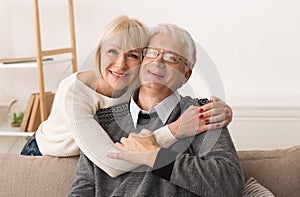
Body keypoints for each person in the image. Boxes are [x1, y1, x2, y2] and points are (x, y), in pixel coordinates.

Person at [21, 15, 233, 178]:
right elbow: (112, 164)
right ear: (99, 54)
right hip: (45, 153)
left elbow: (169, 83)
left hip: (95, 155)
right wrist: (175, 130)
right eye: (112, 51)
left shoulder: (137, 80)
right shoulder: (74, 92)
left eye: (132, 55)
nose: (121, 65)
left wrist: (219, 109)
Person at [68, 23, 244, 196]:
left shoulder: (201, 114)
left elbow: (230, 184)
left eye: (171, 58)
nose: (158, 61)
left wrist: (155, 156)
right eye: (151, 53)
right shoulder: (104, 120)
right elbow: (82, 189)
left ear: (186, 75)